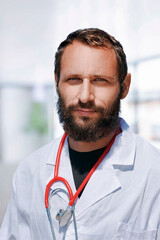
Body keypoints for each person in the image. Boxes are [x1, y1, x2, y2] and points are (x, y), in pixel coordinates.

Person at [0, 28, 160, 240]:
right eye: (74, 79)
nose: (85, 96)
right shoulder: (29, 172)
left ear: (124, 86)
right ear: (57, 82)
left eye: (100, 80)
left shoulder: (154, 173)